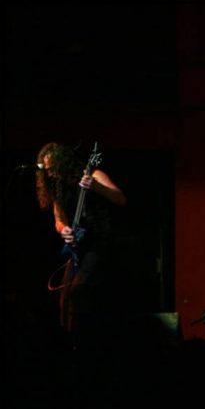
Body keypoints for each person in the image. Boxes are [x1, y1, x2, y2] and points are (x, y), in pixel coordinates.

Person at [35, 142, 126, 346]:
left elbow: (120, 199)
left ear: (63, 162)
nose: (49, 173)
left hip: (99, 242)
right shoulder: (57, 187)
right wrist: (63, 230)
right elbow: (58, 220)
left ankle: (86, 342)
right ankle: (69, 343)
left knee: (79, 290)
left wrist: (96, 187)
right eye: (46, 170)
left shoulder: (94, 175)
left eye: (52, 168)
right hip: (78, 247)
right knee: (65, 296)